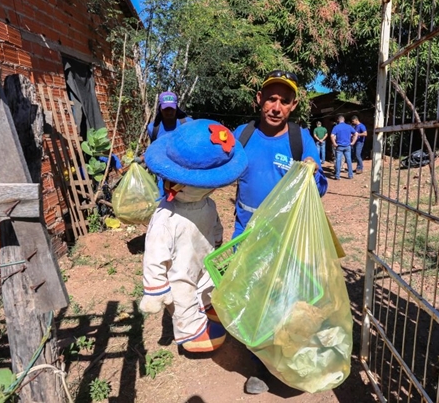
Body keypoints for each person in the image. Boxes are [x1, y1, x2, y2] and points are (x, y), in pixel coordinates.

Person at [140, 119, 248, 353]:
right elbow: (154, 254)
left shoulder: (207, 203)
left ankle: (207, 305)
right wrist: (155, 288)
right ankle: (191, 331)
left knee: (206, 283)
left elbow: (214, 223)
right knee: (183, 294)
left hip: (204, 256)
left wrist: (218, 241)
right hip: (180, 268)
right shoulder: (166, 217)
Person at [232, 70, 328, 239]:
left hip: (285, 238)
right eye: (271, 99)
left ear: (294, 105)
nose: (277, 108)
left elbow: (319, 190)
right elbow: (215, 170)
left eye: (285, 101)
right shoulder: (242, 134)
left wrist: (312, 174)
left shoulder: (301, 139)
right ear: (259, 98)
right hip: (244, 236)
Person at [330, 115, 356, 180]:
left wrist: (334, 143)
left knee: (338, 160)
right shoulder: (349, 126)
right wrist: (353, 142)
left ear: (338, 120)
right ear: (344, 120)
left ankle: (337, 175)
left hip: (339, 146)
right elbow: (356, 133)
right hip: (347, 146)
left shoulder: (336, 127)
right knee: (349, 160)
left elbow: (332, 135)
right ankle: (350, 175)